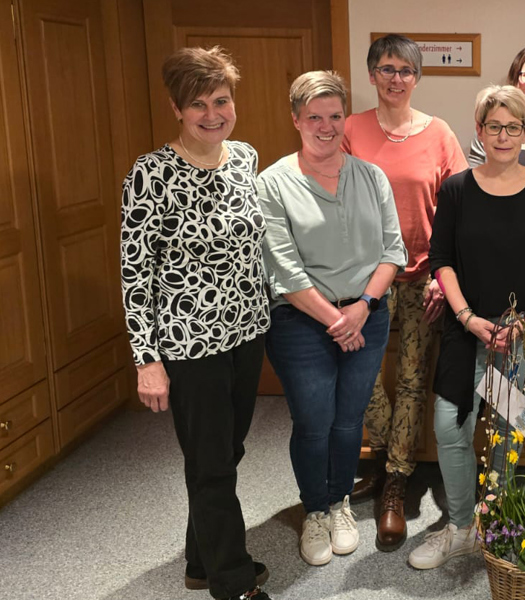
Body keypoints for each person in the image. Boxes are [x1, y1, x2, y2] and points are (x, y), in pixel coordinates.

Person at [120, 46, 273, 600]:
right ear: (177, 109)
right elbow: (134, 273)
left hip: (247, 333)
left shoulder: (244, 158)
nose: (213, 113)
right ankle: (231, 583)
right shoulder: (151, 174)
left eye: (222, 100)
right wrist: (147, 360)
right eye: (198, 104)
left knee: (223, 455)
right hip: (190, 344)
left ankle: (200, 559)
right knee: (210, 464)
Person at [408, 85, 525, 570]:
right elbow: (441, 259)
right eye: (494, 126)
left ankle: (493, 521)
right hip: (468, 330)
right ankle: (460, 527)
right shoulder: (458, 189)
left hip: (517, 340)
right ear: (479, 130)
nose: (503, 135)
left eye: (514, 126)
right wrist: (465, 316)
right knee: (449, 428)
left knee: (506, 430)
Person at [258, 71, 406, 567]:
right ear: (296, 119)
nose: (326, 126)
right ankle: (315, 509)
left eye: (335, 116)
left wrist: (362, 308)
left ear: (346, 119)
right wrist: (334, 320)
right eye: (314, 117)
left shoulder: (371, 177)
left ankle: (341, 501)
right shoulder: (274, 184)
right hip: (301, 323)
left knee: (349, 421)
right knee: (314, 421)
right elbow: (283, 268)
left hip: (368, 313)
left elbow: (393, 250)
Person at [341, 34, 468, 552]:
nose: (396, 78)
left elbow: (458, 211)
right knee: (362, 376)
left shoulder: (439, 134)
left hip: (420, 278)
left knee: (414, 379)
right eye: (387, 68)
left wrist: (446, 275)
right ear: (372, 75)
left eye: (406, 70)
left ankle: (395, 479)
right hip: (362, 282)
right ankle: (388, 453)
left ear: (418, 78)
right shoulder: (349, 130)